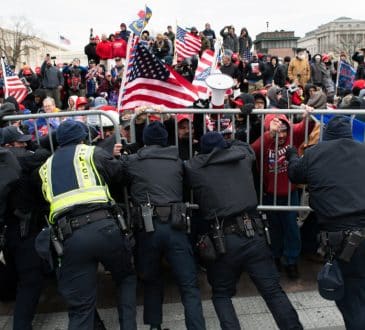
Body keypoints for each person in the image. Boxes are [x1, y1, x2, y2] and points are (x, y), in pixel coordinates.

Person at [184, 131, 303, 330]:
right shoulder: (243, 157)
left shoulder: (195, 168)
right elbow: (245, 145)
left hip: (224, 239)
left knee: (221, 293)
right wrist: (227, 140)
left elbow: (188, 164)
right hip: (253, 234)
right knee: (273, 291)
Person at [38, 120, 137, 330]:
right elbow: (121, 176)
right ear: (83, 138)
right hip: (104, 227)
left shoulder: (45, 167)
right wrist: (120, 158)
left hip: (70, 238)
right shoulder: (91, 152)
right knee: (126, 277)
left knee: (81, 307)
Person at [121, 121, 206, 330]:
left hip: (147, 227)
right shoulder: (177, 161)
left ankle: (155, 327)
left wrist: (128, 152)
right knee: (189, 285)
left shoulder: (132, 161)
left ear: (145, 141)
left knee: (151, 280)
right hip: (176, 225)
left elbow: (118, 177)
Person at [287, 115, 365, 330]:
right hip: (353, 233)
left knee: (350, 296)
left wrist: (293, 155)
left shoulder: (315, 154)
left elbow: (295, 174)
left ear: (325, 135)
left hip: (343, 237)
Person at [251, 111, 314, 278]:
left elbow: (306, 127)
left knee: (291, 229)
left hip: (290, 194)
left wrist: (307, 115)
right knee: (274, 229)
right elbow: (253, 150)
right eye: (276, 130)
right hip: (269, 194)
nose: (281, 134)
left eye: (284, 130)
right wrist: (269, 135)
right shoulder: (264, 142)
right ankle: (276, 257)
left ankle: (291, 261)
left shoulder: (293, 137)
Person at [1, 125, 50, 330]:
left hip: (6, 232)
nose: (24, 145)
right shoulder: (25, 162)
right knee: (30, 282)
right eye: (20, 142)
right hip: (25, 232)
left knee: (13, 278)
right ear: (8, 145)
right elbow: (43, 154)